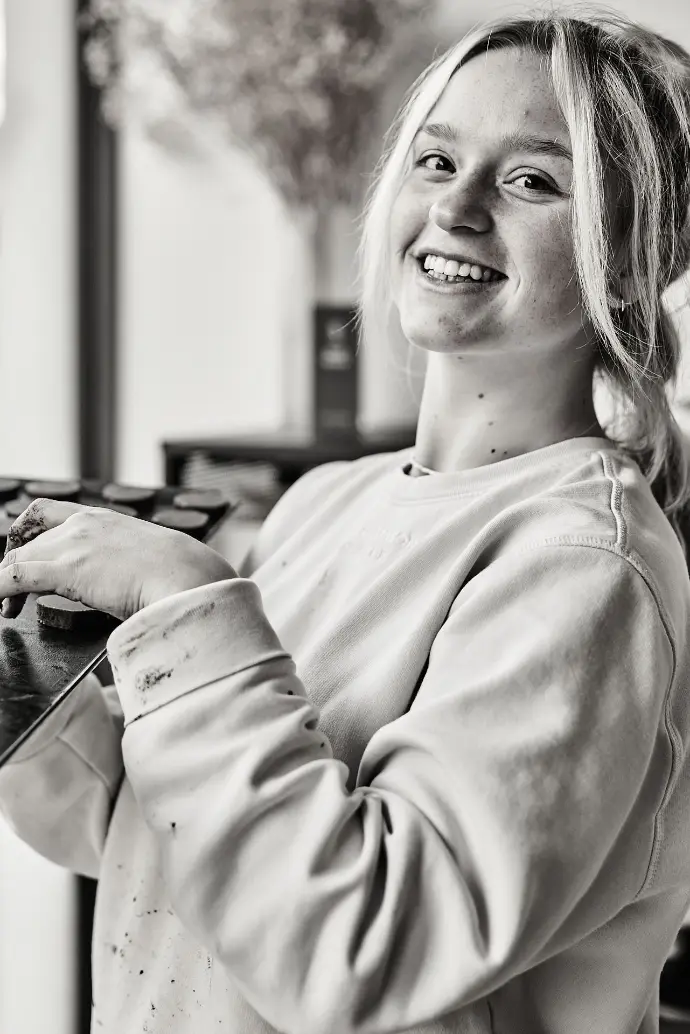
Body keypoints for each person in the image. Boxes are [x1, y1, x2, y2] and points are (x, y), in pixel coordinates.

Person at [2, 9, 690, 1033]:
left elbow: (358, 952)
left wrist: (186, 600)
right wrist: (22, 684)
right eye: (436, 160)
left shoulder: (585, 567)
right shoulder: (327, 500)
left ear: (632, 261)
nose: (454, 205)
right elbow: (179, 844)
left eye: (530, 180)